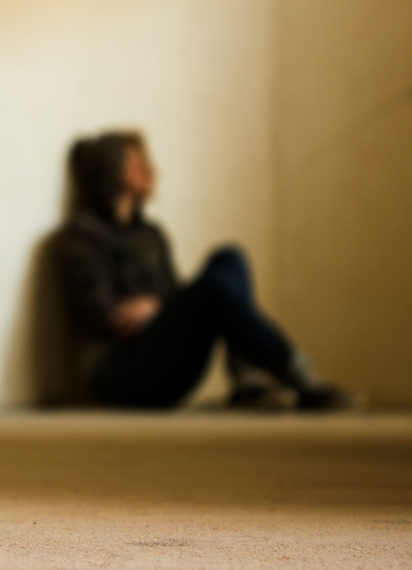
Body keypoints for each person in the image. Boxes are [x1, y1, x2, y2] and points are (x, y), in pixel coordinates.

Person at [55, 131, 351, 409]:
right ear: (113, 169)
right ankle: (296, 372)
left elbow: (173, 293)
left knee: (229, 257)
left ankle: (246, 380)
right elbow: (106, 314)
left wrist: (157, 308)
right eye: (137, 163)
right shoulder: (81, 236)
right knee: (212, 287)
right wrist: (161, 308)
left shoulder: (150, 234)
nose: (151, 170)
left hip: (166, 361)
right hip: (117, 372)